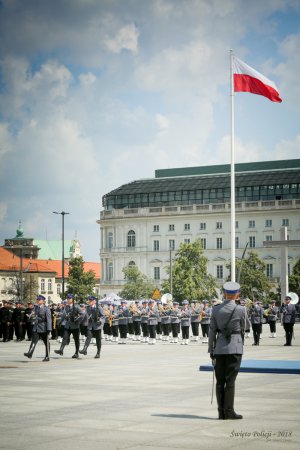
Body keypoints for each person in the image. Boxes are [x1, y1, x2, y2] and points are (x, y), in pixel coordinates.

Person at [208, 281, 250, 420]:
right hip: (235, 347)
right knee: (230, 381)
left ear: (224, 294)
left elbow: (212, 332)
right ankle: (229, 411)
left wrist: (211, 349)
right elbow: (245, 327)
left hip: (219, 348)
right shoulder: (241, 309)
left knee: (220, 381)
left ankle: (221, 412)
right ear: (237, 294)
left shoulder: (215, 309)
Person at [54, 293, 84, 358]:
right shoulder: (66, 307)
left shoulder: (76, 306)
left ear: (72, 299)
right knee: (65, 337)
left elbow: (82, 314)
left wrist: (77, 319)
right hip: (68, 325)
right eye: (67, 298)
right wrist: (60, 322)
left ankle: (76, 353)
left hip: (75, 326)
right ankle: (61, 350)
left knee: (76, 340)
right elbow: (64, 315)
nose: (68, 299)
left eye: (69, 298)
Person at [24, 295, 52, 361]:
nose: (38, 301)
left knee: (46, 342)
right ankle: (30, 353)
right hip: (36, 327)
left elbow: (49, 319)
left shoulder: (46, 309)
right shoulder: (35, 308)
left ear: (43, 301)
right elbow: (33, 315)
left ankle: (47, 356)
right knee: (34, 341)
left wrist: (49, 329)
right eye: (37, 300)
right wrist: (31, 317)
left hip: (43, 328)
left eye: (39, 300)